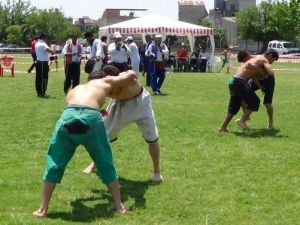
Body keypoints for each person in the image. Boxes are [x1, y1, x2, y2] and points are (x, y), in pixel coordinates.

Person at [32, 69, 137, 218]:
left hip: (68, 118)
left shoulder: (75, 89)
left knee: (54, 162)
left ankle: (42, 209)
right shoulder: (105, 81)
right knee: (104, 161)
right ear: (104, 77)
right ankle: (119, 207)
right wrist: (123, 75)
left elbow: (77, 109)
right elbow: (131, 75)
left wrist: (95, 111)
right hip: (91, 119)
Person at [83, 65, 163, 183]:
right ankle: (95, 163)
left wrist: (126, 77)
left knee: (152, 138)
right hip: (119, 105)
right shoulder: (104, 85)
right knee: (104, 135)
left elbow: (132, 74)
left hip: (140, 103)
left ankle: (156, 172)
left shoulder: (125, 79)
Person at [218, 49, 278, 132]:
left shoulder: (253, 59)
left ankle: (222, 127)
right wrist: (263, 72)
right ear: (270, 56)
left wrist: (260, 85)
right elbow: (271, 73)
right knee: (255, 101)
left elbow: (252, 72)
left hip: (232, 80)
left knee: (234, 106)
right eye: (273, 60)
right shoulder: (263, 59)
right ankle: (242, 120)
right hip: (240, 82)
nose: (271, 62)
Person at [237, 50, 276, 129]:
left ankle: (270, 122)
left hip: (269, 81)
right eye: (273, 59)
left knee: (267, 104)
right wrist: (260, 86)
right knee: (242, 96)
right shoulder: (255, 60)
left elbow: (270, 73)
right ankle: (245, 117)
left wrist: (263, 71)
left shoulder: (262, 60)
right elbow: (253, 76)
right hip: (257, 80)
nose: (272, 62)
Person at [35, 33, 55, 98]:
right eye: (46, 38)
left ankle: (39, 92)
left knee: (38, 78)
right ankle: (42, 92)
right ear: (43, 38)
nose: (46, 39)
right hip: (43, 63)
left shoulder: (37, 43)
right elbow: (52, 52)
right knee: (44, 78)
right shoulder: (43, 44)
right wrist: (52, 46)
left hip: (38, 62)